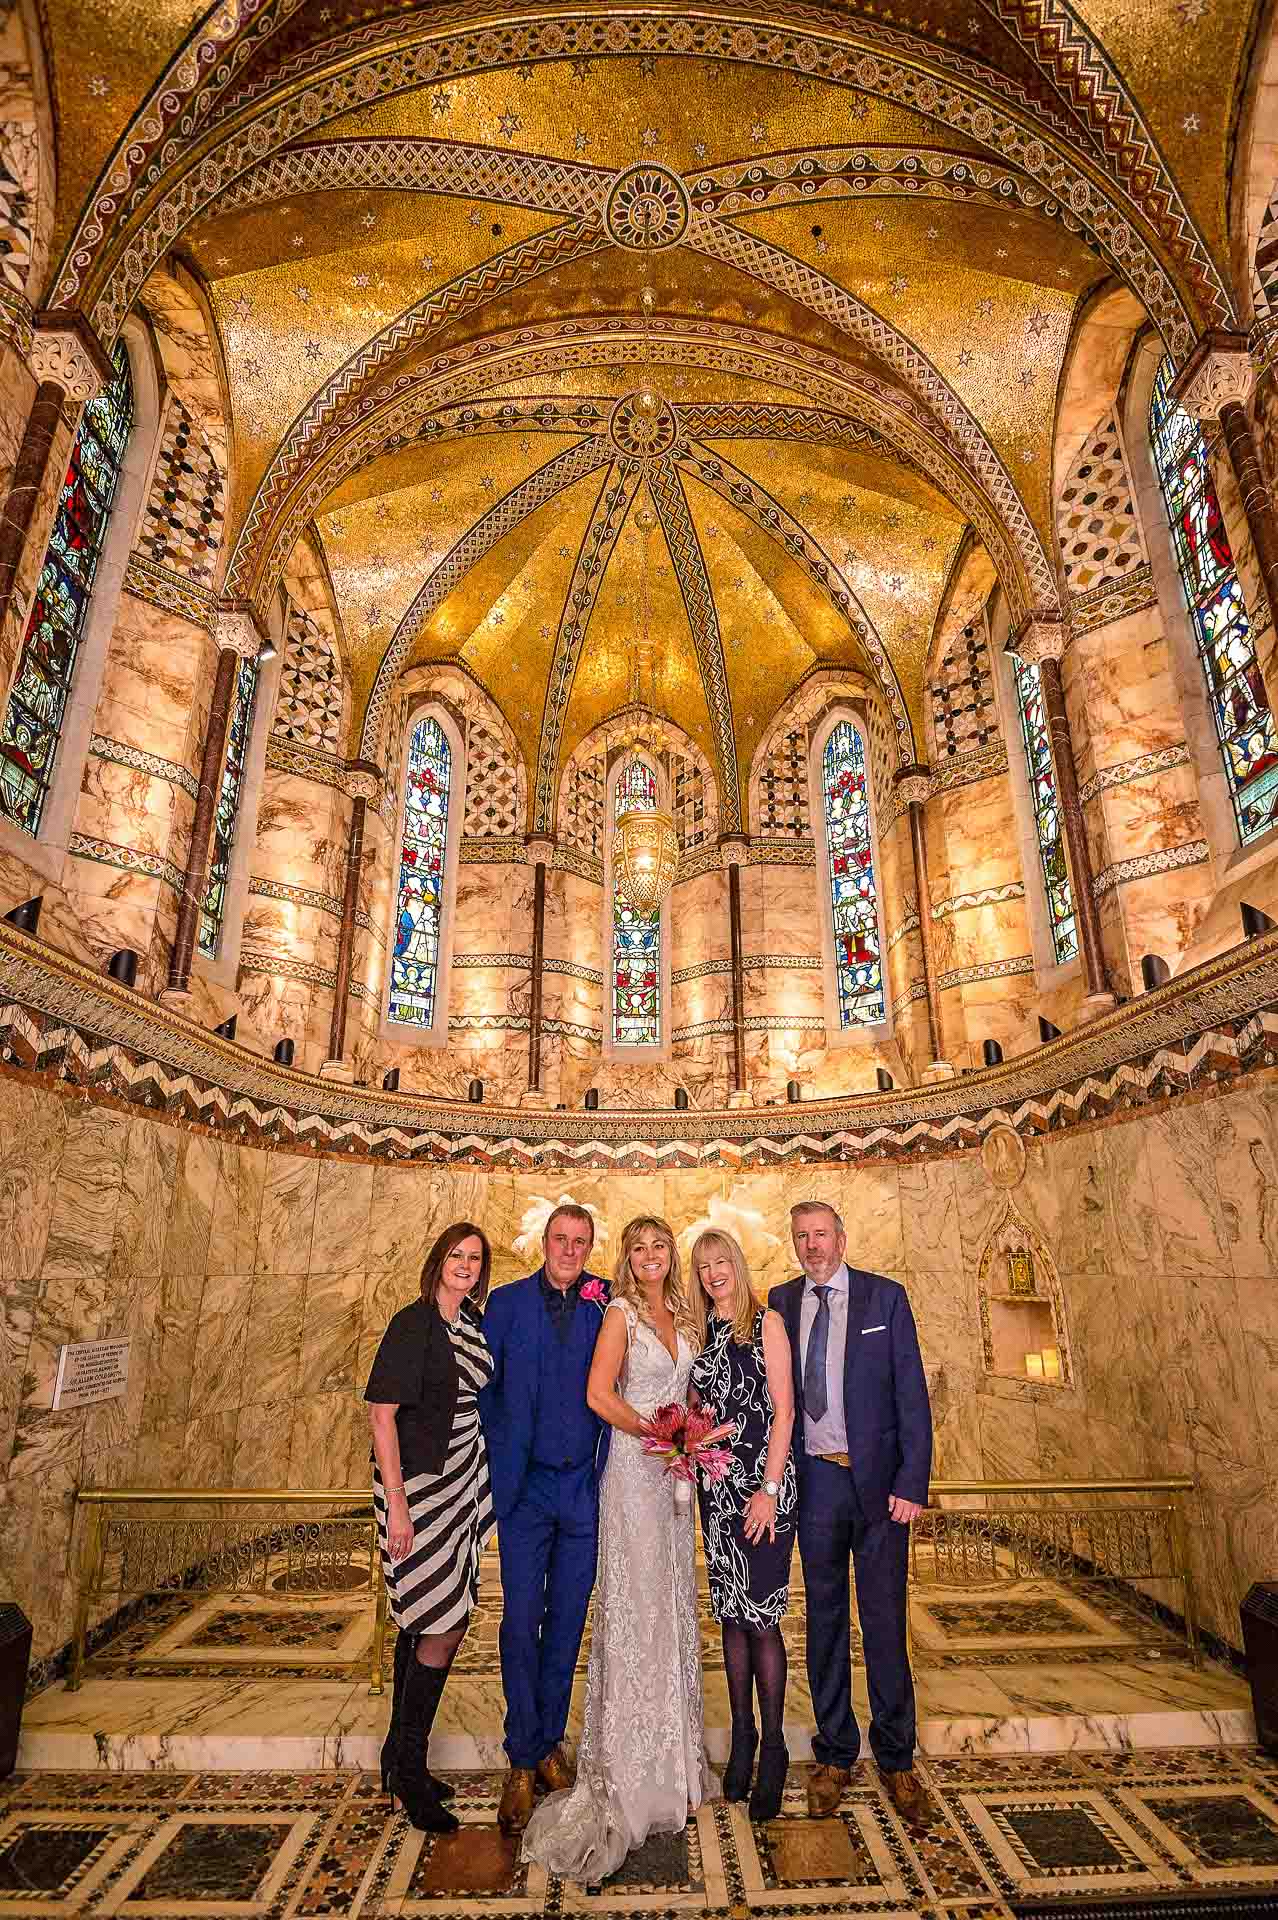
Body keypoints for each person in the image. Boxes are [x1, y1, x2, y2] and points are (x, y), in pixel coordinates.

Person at [521, 1215, 712, 1883]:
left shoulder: (687, 1314)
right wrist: (657, 1434)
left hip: (674, 1479)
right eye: (640, 1248)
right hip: (633, 1475)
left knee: (670, 1606)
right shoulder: (620, 1314)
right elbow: (598, 1395)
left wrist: (693, 1436)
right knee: (633, 1608)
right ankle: (628, 1772)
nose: (652, 1255)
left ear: (671, 1255)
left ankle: (674, 1766)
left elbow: (688, 1392)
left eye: (662, 1246)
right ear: (627, 1259)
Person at [768, 1201, 933, 1828]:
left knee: (886, 1624)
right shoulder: (780, 1303)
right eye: (801, 1236)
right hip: (815, 1487)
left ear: (843, 1236)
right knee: (825, 1620)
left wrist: (911, 1480)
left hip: (880, 1488)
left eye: (821, 1235)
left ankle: (896, 1756)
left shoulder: (884, 1299)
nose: (812, 1246)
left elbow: (911, 1396)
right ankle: (835, 1752)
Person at [478, 1203, 611, 1837]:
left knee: (566, 1624)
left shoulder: (606, 1302)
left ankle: (548, 1744)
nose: (569, 1249)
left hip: (583, 1488)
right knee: (520, 1620)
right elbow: (479, 1392)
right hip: (526, 1492)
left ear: (589, 1248)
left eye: (580, 1242)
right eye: (560, 1239)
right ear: (544, 1242)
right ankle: (521, 1758)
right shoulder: (503, 1306)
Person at [366, 1221, 494, 1833]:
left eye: (474, 1257)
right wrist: (396, 1504)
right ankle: (411, 1773)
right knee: (444, 1624)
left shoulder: (469, 1323)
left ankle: (397, 1757)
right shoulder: (412, 1323)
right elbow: (382, 1415)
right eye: (455, 1255)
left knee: (421, 1620)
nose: (465, 1264)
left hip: (461, 1486)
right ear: (437, 1260)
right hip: (418, 1490)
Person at [688, 1228, 797, 1819]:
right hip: (719, 1491)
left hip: (765, 1487)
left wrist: (768, 1490)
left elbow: (784, 1411)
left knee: (761, 1618)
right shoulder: (702, 1334)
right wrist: (692, 1443)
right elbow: (702, 1413)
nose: (713, 1272)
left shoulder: (767, 1323)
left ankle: (774, 1746)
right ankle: (742, 1738)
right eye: (703, 1265)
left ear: (738, 1264)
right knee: (730, 1613)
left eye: (721, 1260)